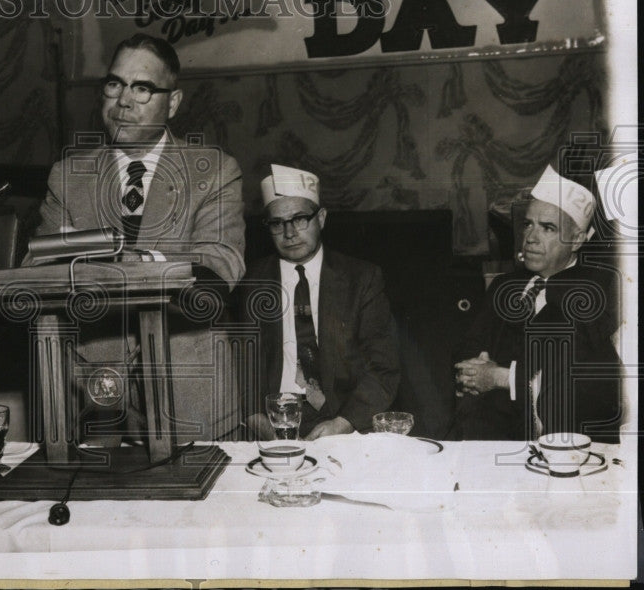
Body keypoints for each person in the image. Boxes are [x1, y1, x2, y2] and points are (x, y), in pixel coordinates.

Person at [29, 33, 246, 441]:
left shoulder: (214, 171)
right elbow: (38, 268)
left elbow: (217, 268)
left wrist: (114, 263)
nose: (123, 101)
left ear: (174, 103)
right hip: (91, 399)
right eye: (114, 84)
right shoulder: (67, 175)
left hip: (190, 400)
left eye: (143, 88)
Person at [452, 165, 622, 442]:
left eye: (548, 228)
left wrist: (498, 377)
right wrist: (470, 370)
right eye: (528, 224)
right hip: (487, 433)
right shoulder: (503, 286)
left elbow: (580, 383)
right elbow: (468, 345)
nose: (530, 237)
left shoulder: (595, 293)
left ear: (577, 239)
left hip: (559, 440)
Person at [233, 164, 400, 439]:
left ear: (321, 218)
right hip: (272, 418)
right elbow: (242, 367)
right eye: (277, 223)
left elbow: (384, 369)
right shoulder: (252, 281)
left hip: (343, 415)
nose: (289, 233)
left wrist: (343, 423)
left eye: (300, 219)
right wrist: (258, 420)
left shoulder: (361, 279)